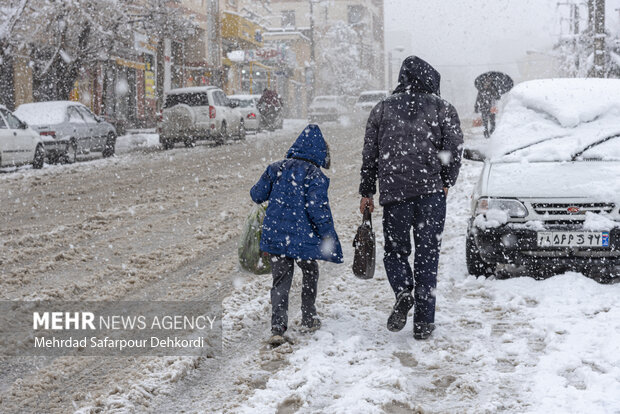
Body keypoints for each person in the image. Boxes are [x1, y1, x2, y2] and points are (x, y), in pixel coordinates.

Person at [359, 56, 463, 340]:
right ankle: (424, 323)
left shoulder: (381, 109)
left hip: (395, 194)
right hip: (430, 194)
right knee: (428, 255)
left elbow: (370, 155)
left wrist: (367, 191)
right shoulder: (443, 109)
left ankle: (404, 290)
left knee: (395, 251)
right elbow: (454, 148)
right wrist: (446, 181)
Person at [251, 124, 343, 346]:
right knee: (310, 272)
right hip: (303, 240)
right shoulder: (316, 177)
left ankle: (277, 328)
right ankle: (309, 317)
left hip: (276, 237)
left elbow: (256, 194)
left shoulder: (276, 168)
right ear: (320, 152)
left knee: (281, 281)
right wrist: (330, 238)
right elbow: (318, 211)